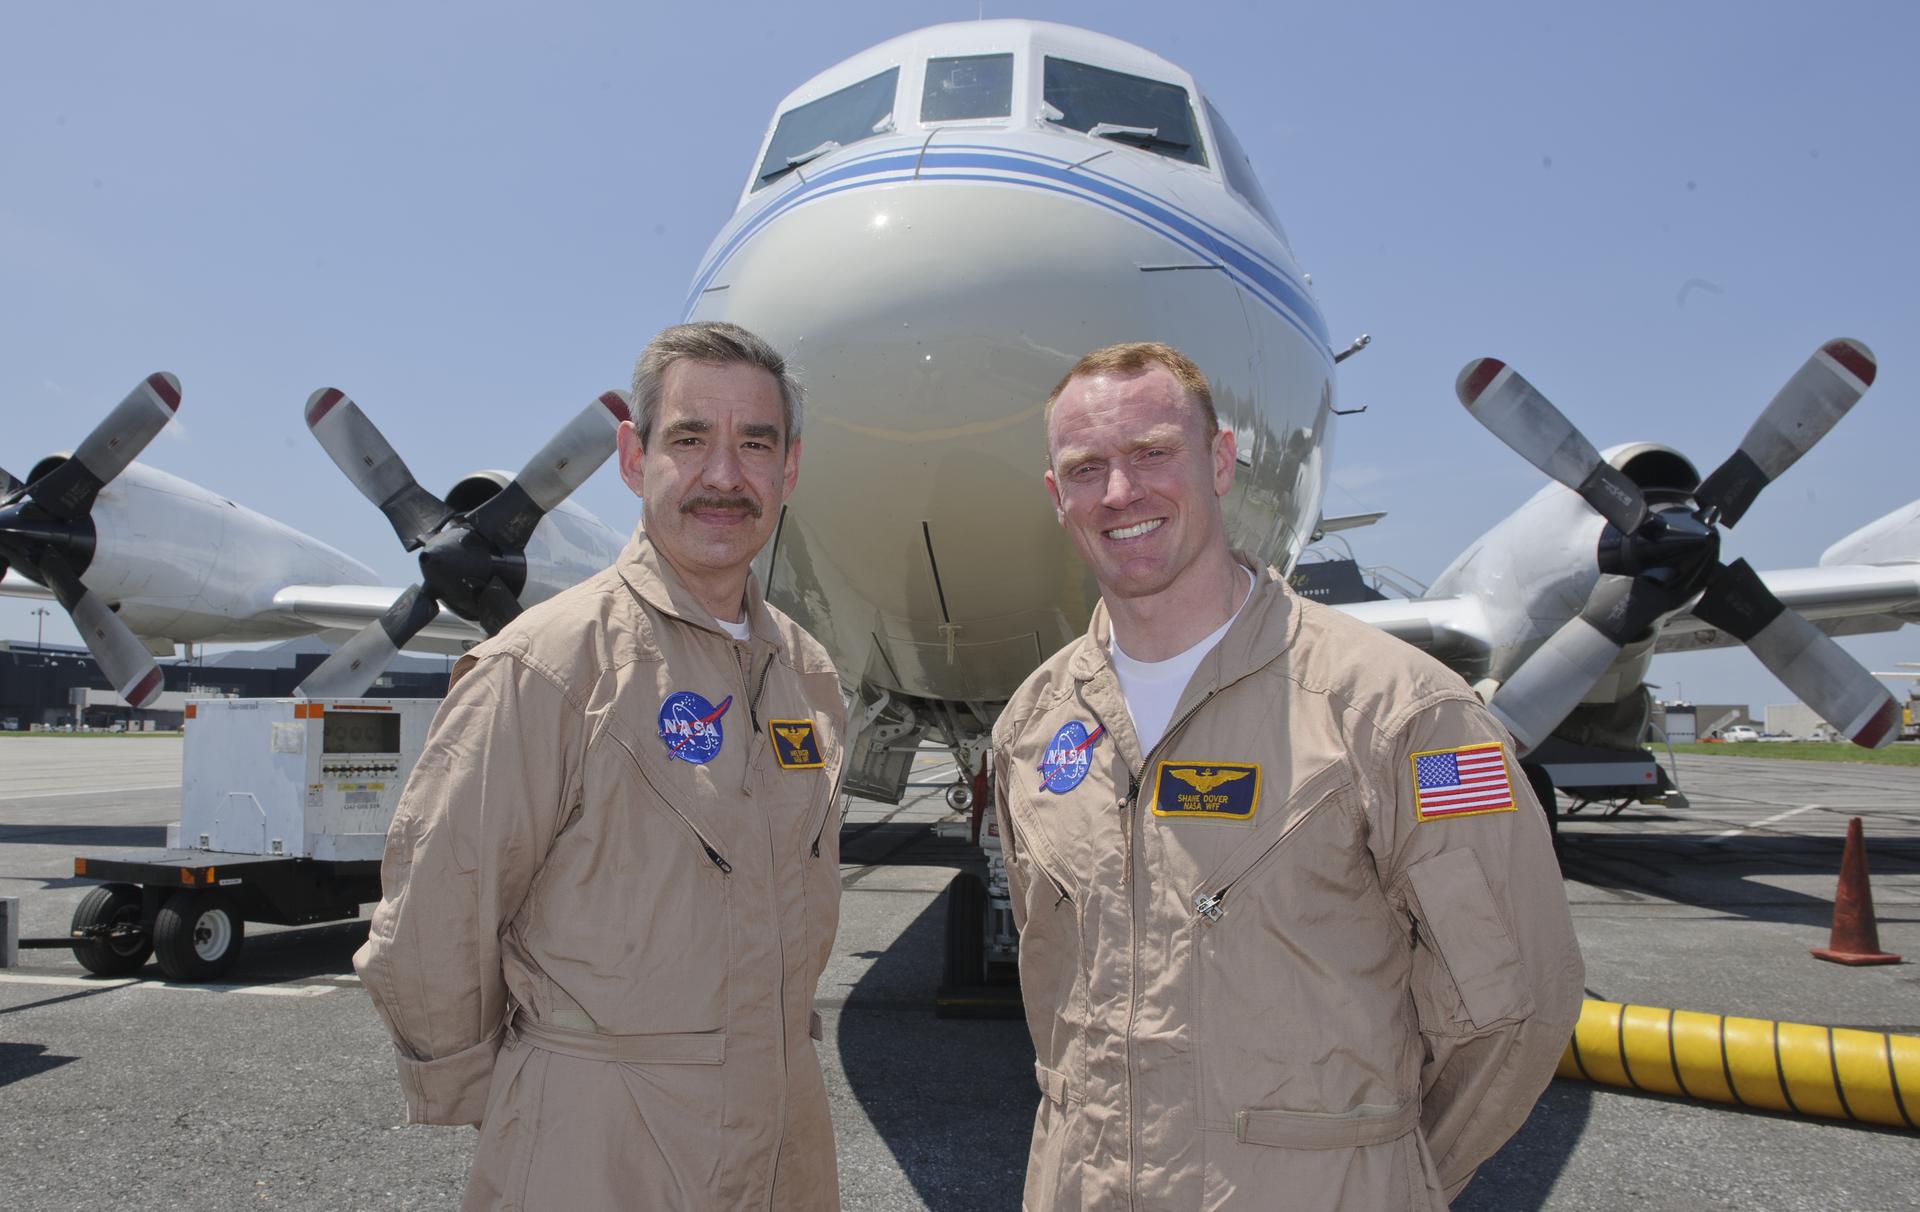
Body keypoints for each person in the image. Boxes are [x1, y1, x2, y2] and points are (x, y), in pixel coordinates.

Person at [991, 341, 1582, 1210]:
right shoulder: (1033, 727)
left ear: (1220, 460)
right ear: (1056, 496)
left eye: (1153, 452)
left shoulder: (1403, 711)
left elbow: (1516, 1005)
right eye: (1087, 468)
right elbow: (1052, 991)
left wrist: (1379, 1174)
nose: (1120, 492)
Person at [355, 321, 848, 1211]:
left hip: (785, 1146)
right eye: (690, 439)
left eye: (755, 444)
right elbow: (434, 914)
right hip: (600, 1151)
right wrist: (523, 1099)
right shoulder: (547, 664)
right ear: (633, 457)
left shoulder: (805, 672)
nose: (724, 475)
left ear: (791, 469)